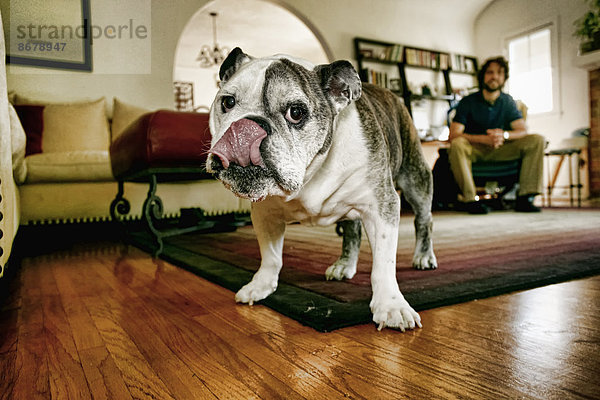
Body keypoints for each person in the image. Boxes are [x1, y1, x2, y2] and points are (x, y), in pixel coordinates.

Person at [448, 56, 545, 214]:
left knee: (536, 140)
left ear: (504, 78)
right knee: (457, 144)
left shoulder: (508, 102)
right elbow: (454, 134)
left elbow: (522, 130)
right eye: (490, 72)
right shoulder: (468, 102)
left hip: (501, 150)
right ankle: (470, 199)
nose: (494, 76)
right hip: (475, 151)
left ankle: (525, 197)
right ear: (483, 76)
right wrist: (483, 139)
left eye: (499, 73)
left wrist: (504, 135)